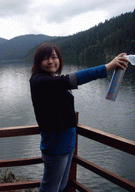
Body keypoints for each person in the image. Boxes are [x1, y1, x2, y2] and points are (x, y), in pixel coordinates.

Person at [29, 42, 128, 192]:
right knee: (50, 188)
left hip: (67, 144)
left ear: (59, 59)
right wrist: (108, 67)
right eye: (45, 58)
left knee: (61, 186)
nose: (51, 61)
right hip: (56, 146)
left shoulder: (53, 80)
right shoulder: (39, 81)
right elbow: (76, 78)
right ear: (38, 62)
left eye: (54, 57)